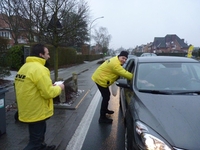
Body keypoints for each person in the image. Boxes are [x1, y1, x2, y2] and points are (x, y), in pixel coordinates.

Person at [14, 44, 65, 150]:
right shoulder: (40, 69)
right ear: (41, 54)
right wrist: (60, 87)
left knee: (40, 130)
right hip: (36, 109)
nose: (49, 56)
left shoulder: (25, 67)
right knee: (34, 142)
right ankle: (39, 146)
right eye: (47, 53)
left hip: (27, 107)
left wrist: (49, 86)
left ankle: (42, 147)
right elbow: (48, 93)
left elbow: (31, 86)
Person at [91, 51, 133, 124]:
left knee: (107, 96)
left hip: (100, 77)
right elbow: (125, 74)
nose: (124, 60)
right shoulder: (115, 64)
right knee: (106, 97)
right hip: (100, 80)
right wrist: (137, 78)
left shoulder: (115, 59)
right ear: (119, 56)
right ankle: (102, 118)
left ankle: (105, 110)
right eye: (123, 58)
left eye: (126, 59)